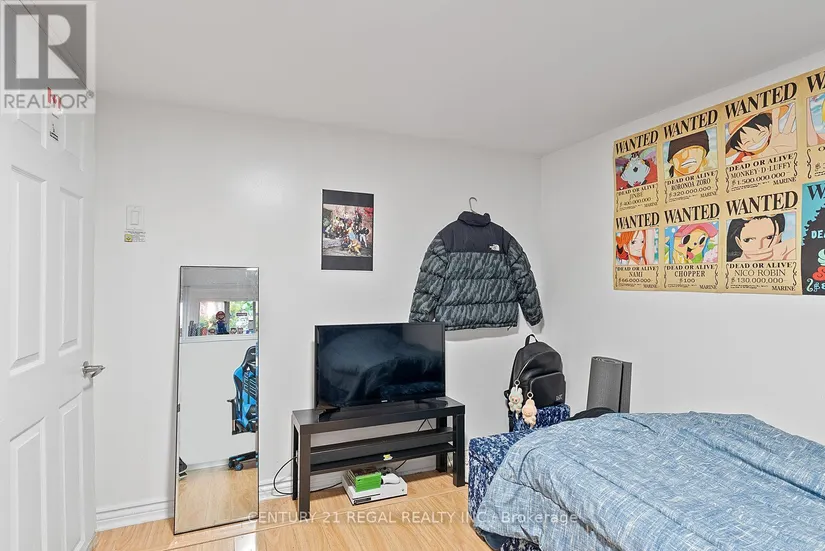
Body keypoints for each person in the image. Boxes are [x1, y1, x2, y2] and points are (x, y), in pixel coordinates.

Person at [725, 104, 796, 165]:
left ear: (770, 128)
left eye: (761, 134)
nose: (754, 140)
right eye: (747, 141)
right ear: (739, 148)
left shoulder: (781, 141)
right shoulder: (739, 162)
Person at [726, 214, 795, 262]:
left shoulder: (787, 253)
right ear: (739, 242)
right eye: (748, 240)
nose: (759, 246)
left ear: (779, 237)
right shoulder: (735, 263)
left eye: (769, 237)